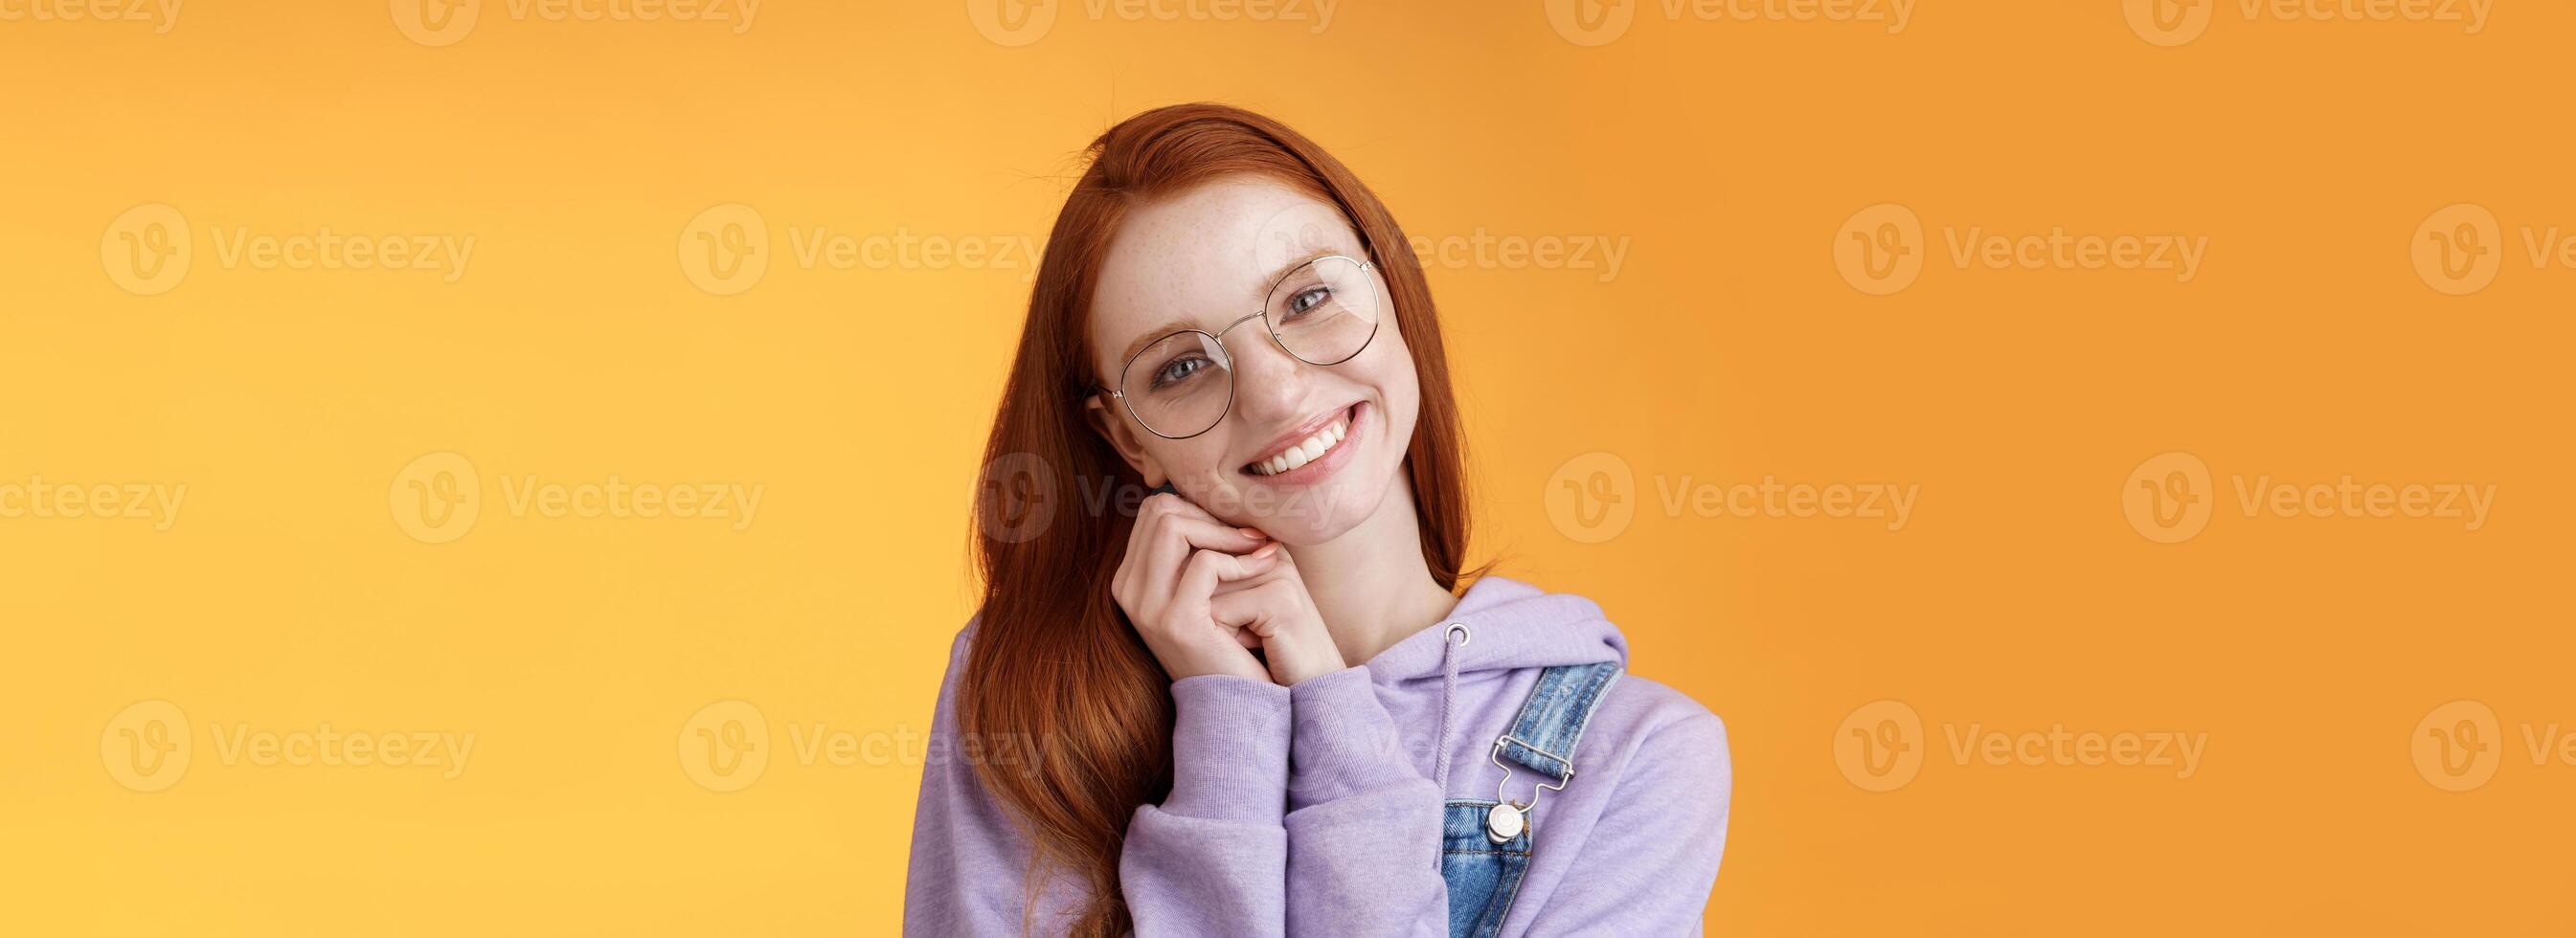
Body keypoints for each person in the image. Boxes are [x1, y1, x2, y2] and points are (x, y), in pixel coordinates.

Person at [904, 102, 1730, 937]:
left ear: (1392, 286)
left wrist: (1330, 711)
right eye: (1182, 366)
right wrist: (1225, 713)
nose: (1276, 393)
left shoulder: (1633, 759)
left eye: (1305, 299)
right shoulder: (1032, 695)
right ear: (1127, 438)